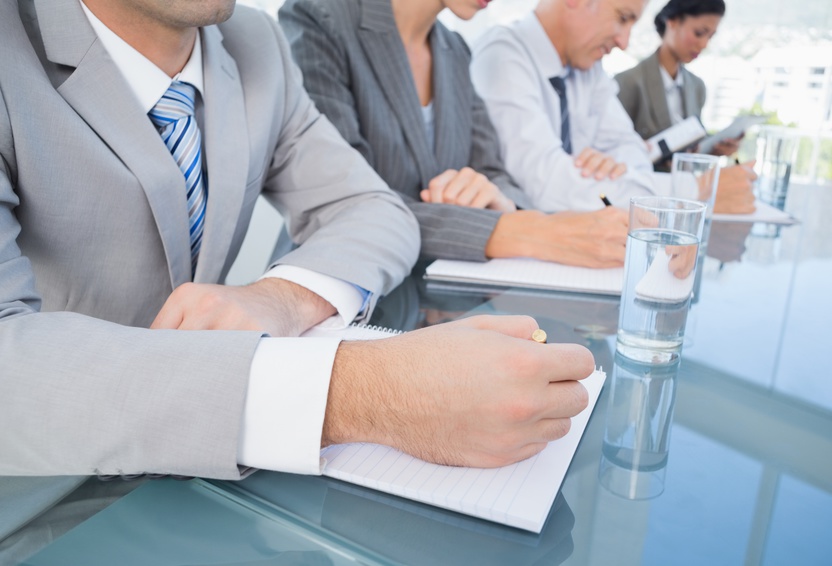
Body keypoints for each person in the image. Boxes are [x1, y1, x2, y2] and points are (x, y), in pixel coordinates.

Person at [0, 0, 595, 558]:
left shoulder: (250, 40)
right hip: (42, 504)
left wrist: (283, 298)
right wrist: (357, 395)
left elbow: (374, 208)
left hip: (208, 495)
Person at [279, 0, 630, 269]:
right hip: (340, 285)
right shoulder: (319, 18)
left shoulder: (455, 50)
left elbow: (492, 170)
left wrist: (500, 201)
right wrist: (522, 230)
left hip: (440, 295)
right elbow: (346, 203)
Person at [470, 0, 756, 215]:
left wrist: (612, 169)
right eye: (622, 18)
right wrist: (694, 191)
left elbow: (633, 150)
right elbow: (547, 186)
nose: (624, 41)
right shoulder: (502, 56)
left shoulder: (588, 69)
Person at [615, 0, 739, 157]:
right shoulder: (628, 83)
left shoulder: (697, 86)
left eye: (710, 36)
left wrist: (714, 150)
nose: (704, 44)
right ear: (672, 22)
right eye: (699, 33)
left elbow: (691, 146)